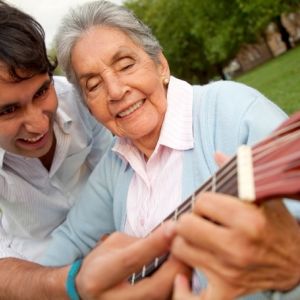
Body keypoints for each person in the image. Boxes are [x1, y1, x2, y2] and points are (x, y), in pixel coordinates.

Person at [39, 1, 300, 299]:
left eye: (125, 65)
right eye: (93, 85)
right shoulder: (116, 164)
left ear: (160, 65)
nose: (115, 90)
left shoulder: (232, 109)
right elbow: (69, 239)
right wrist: (74, 284)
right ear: (88, 106)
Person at [0, 1, 188, 299]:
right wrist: (73, 281)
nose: (38, 125)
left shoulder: (83, 97)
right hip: (33, 277)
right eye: (8, 110)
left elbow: (126, 170)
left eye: (41, 92)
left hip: (120, 245)